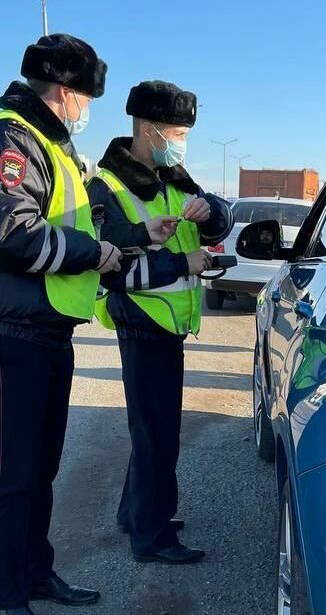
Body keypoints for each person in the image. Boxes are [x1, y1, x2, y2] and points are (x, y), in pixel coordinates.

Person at [0, 33, 123, 615]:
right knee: (12, 471)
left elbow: (66, 221)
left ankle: (35, 570)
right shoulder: (5, 138)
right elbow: (8, 233)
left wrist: (109, 238)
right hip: (8, 329)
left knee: (41, 466)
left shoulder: (50, 145)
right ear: (67, 91)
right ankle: (3, 594)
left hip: (45, 329)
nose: (85, 109)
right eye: (84, 98)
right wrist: (93, 252)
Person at [87, 80, 233, 564]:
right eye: (176, 133)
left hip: (167, 325)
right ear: (147, 131)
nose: (181, 142)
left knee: (151, 429)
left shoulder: (175, 177)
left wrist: (212, 212)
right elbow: (114, 266)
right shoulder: (106, 187)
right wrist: (183, 264)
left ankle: (136, 512)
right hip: (141, 320)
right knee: (157, 433)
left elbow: (219, 222)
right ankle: (152, 537)